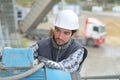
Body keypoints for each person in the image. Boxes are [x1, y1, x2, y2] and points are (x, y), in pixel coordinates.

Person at [30, 10, 87, 74]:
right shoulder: (41, 45)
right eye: (57, 30)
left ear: (73, 34)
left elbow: (71, 65)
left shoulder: (77, 49)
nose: (60, 36)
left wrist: (59, 66)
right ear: (54, 29)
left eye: (66, 33)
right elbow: (25, 54)